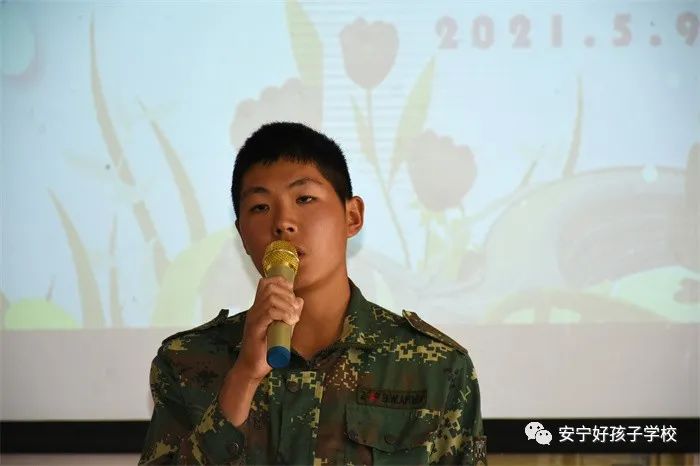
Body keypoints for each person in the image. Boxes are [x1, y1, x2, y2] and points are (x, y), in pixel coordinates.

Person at [139, 122, 487, 465]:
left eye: (304, 198)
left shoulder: (437, 367)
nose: (283, 222)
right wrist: (243, 376)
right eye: (260, 207)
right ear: (242, 235)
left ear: (352, 217)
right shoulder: (186, 362)